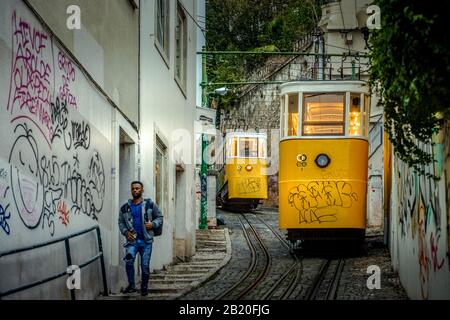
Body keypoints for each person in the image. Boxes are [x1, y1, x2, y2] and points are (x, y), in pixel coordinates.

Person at [118, 181, 163, 296]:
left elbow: (159, 217)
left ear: (142, 190)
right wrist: (125, 232)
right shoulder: (125, 208)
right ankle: (132, 286)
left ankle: (144, 287)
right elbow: (121, 222)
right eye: (133, 188)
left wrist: (153, 224)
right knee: (129, 261)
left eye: (137, 188)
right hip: (132, 241)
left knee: (144, 265)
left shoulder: (149, 204)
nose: (135, 190)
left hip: (146, 241)